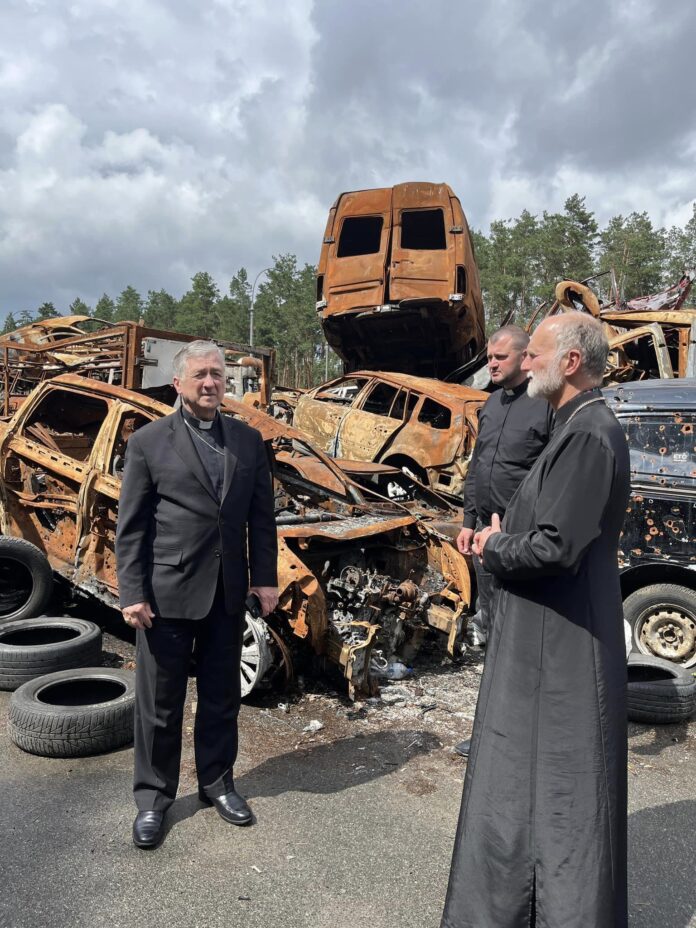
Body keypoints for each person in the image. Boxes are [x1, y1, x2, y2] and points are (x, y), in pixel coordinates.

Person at [441, 313, 630, 928]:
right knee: (531, 779)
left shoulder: (589, 433)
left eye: (535, 354)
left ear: (570, 362)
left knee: (565, 787)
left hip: (566, 640)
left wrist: (496, 548)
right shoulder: (571, 425)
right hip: (547, 635)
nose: (524, 363)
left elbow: (554, 547)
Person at [115, 340, 278, 850]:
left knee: (221, 697)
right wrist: (133, 592)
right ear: (178, 383)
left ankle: (216, 782)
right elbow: (132, 526)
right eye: (201, 375)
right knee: (159, 705)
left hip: (226, 593)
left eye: (218, 374)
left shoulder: (248, 442)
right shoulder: (148, 442)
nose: (211, 383)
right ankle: (153, 799)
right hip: (165, 594)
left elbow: (260, 517)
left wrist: (265, 578)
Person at [455, 325, 553, 757]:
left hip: (522, 542)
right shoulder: (490, 405)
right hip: (482, 540)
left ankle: (530, 735)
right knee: (492, 632)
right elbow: (478, 466)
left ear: (525, 357)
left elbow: (552, 476)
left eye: (500, 358)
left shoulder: (546, 406)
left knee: (526, 639)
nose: (491, 364)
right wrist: (467, 519)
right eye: (489, 358)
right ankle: (493, 734)